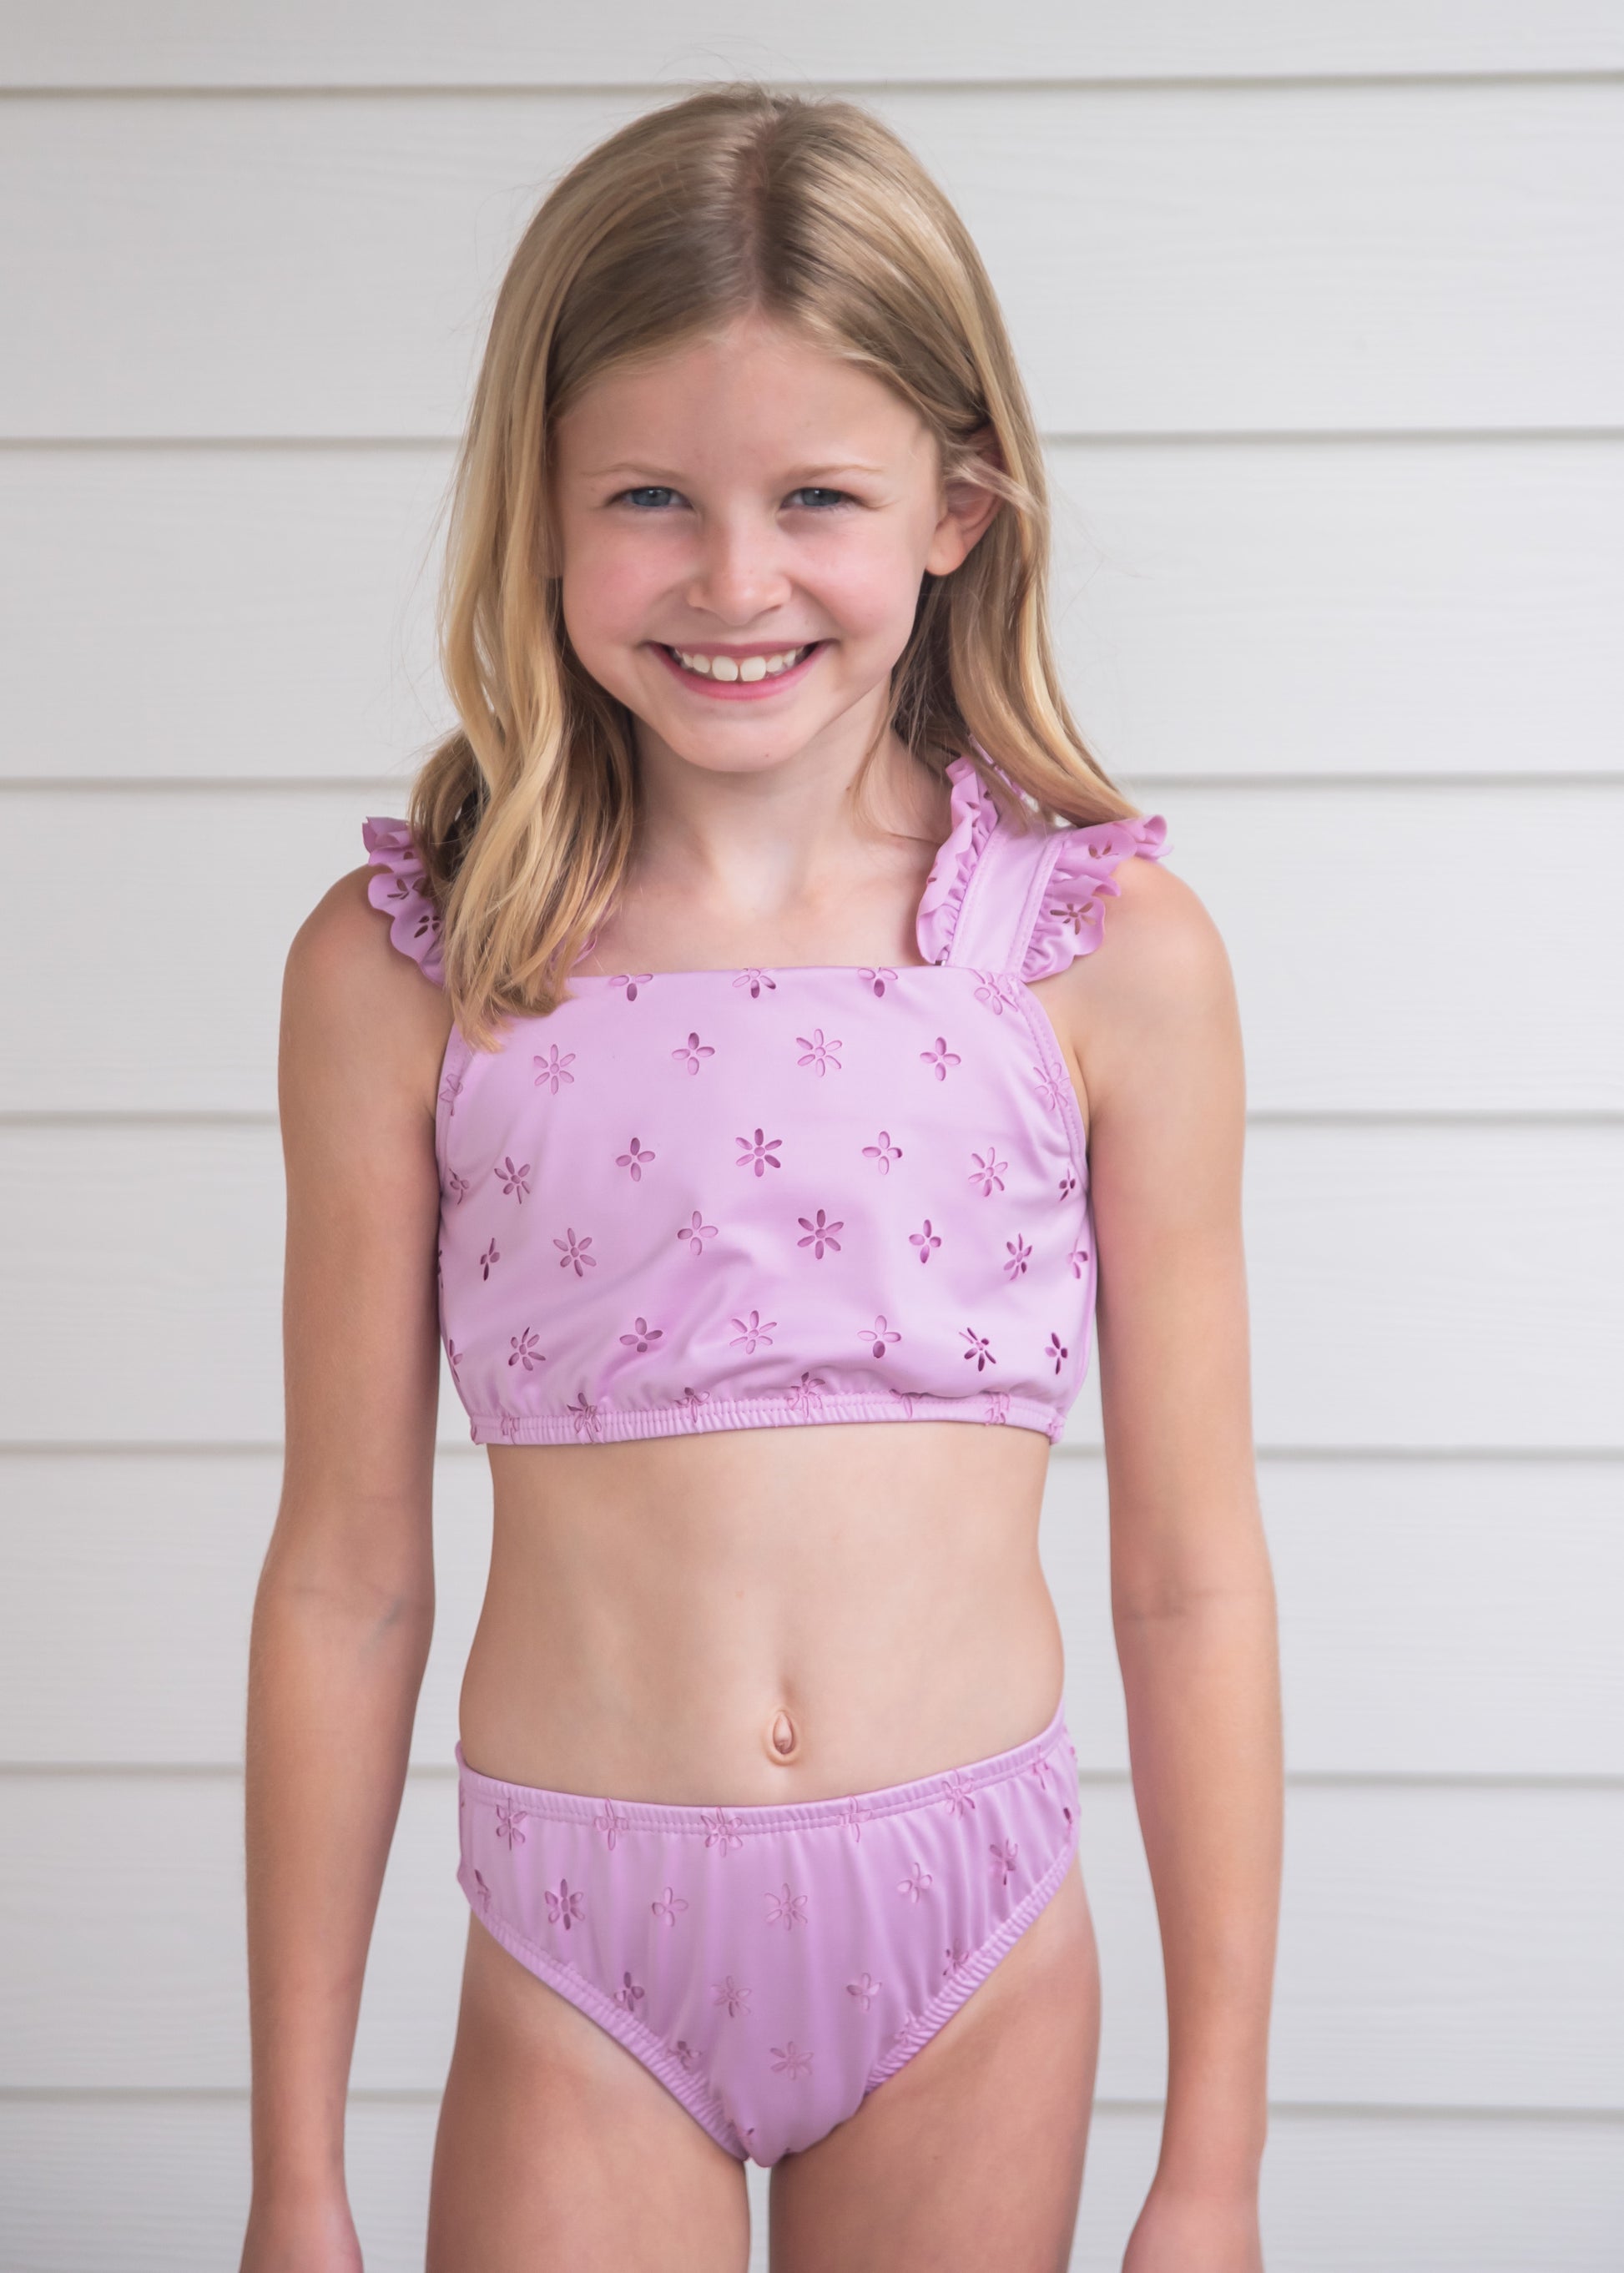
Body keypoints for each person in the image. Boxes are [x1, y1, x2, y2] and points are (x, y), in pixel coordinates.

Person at [241, 83, 1282, 2273]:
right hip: (580, 1953)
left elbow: (1191, 1579)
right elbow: (345, 1576)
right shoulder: (415, 970)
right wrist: (295, 2177)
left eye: (817, 494)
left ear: (956, 506)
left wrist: (1213, 2167)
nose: (735, 579)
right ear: (534, 512)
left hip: (969, 1956)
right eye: (649, 496)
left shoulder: (1103, 958)